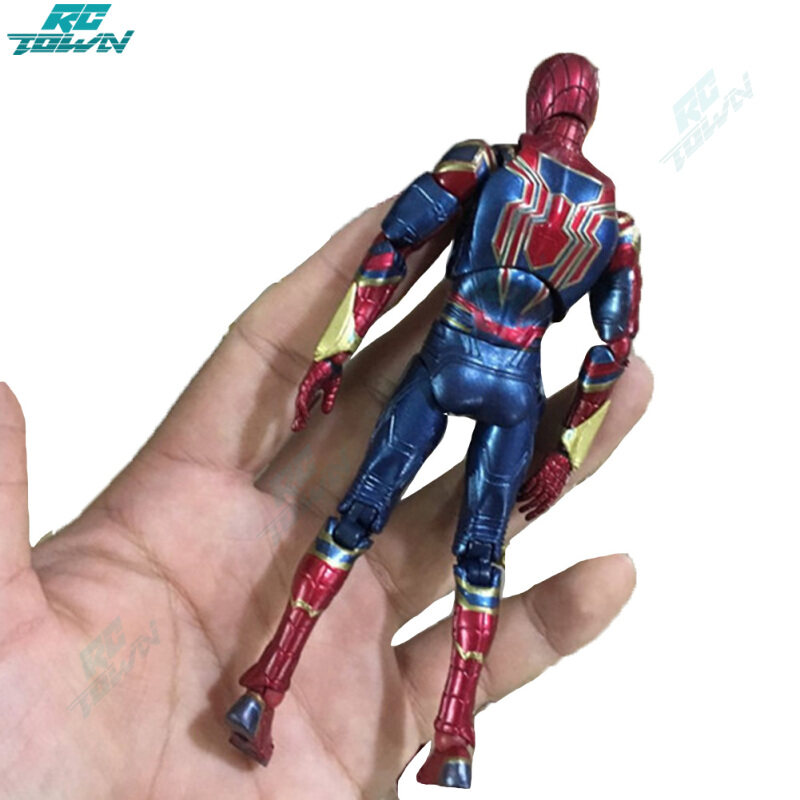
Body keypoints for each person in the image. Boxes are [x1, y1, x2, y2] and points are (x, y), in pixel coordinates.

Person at [0, 101, 652, 800]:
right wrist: (567, 447)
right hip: (516, 381)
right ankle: (455, 735)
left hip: (449, 354)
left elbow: (394, 248)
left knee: (352, 522)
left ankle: (266, 686)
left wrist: (337, 348)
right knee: (480, 557)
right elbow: (613, 348)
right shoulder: (614, 226)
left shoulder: (489, 162)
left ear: (539, 103)